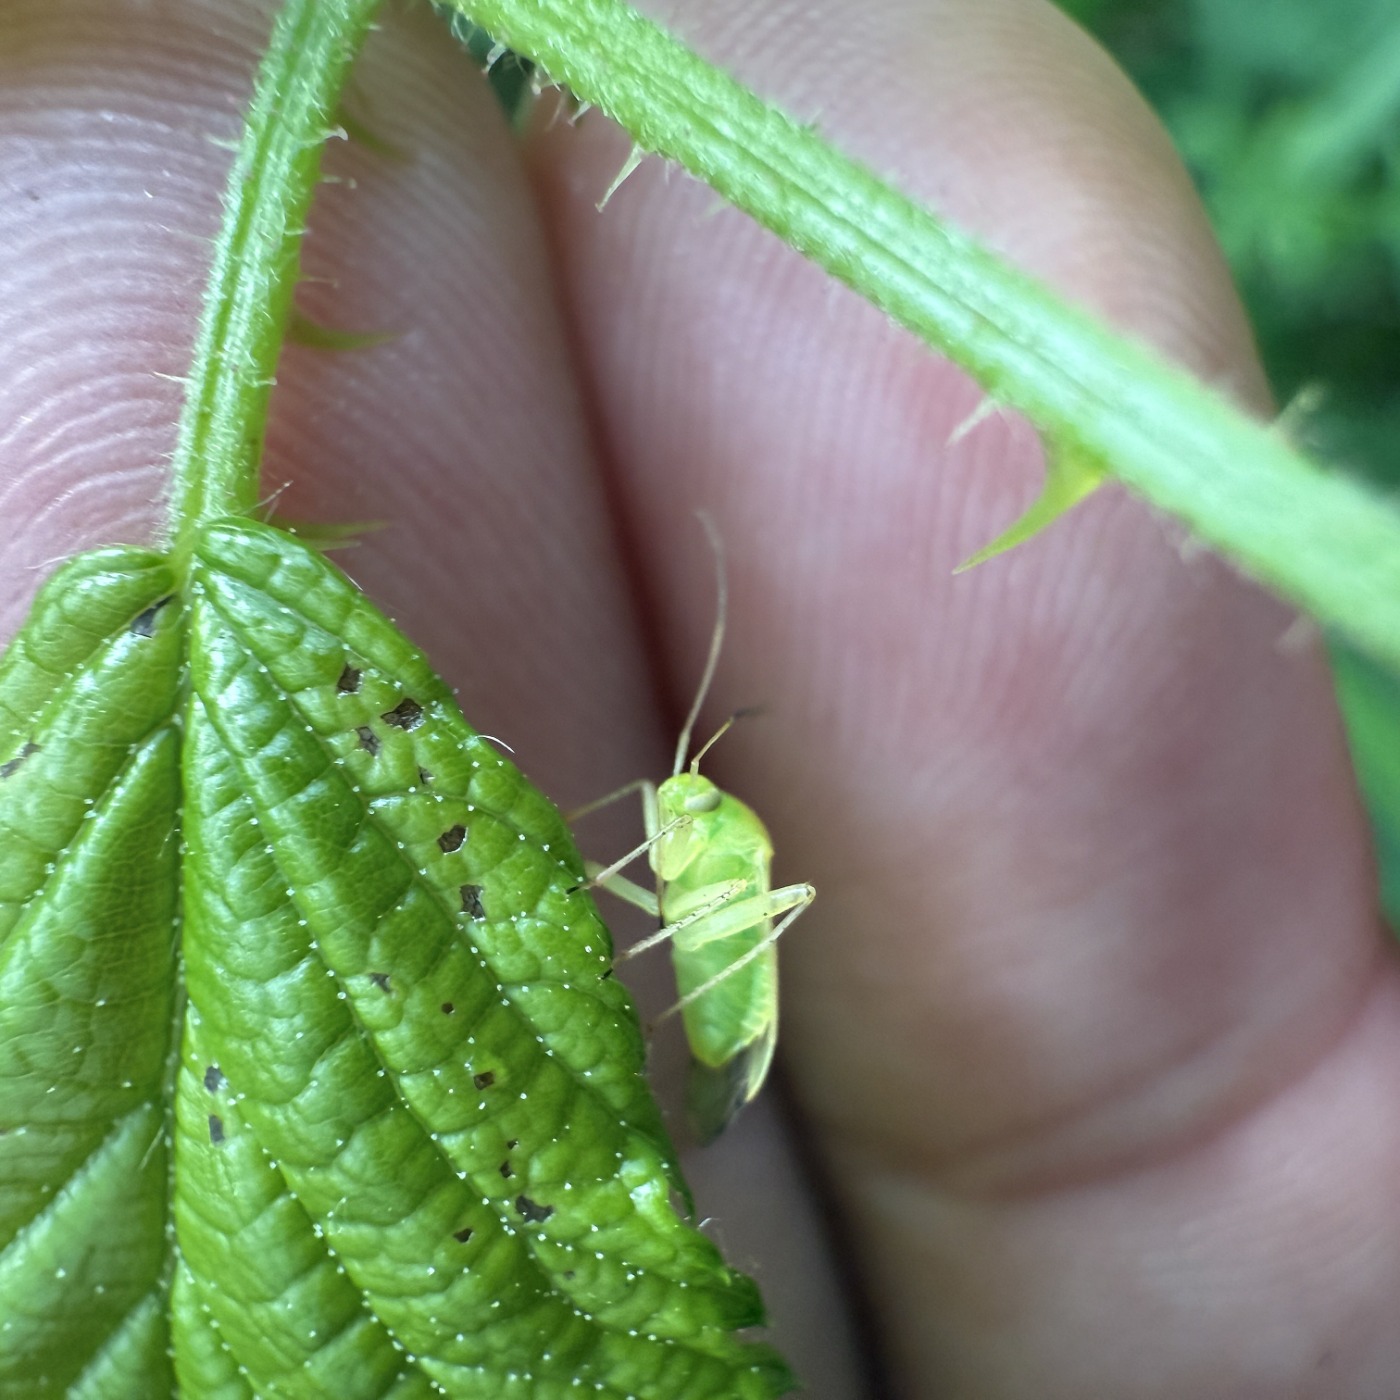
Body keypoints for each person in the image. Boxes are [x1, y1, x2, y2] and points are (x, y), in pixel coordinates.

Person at [0, 1, 1389, 1395]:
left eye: (682, 796)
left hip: (731, 993)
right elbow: (664, 863)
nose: (669, 799)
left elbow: (694, 885)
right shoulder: (700, 830)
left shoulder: (712, 844)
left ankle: (717, 1067)